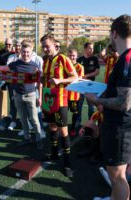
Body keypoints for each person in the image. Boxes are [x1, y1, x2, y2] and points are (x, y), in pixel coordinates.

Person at [87, 15, 131, 200]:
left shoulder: (128, 59)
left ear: (114, 33)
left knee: (118, 177)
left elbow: (124, 103)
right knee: (116, 175)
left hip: (121, 127)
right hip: (122, 126)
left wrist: (97, 100)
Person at [40, 34, 78, 178]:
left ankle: (67, 163)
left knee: (63, 131)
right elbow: (44, 79)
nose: (45, 48)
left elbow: (75, 77)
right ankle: (54, 155)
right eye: (43, 46)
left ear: (54, 45)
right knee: (51, 127)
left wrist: (60, 80)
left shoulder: (63, 58)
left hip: (61, 101)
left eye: (47, 46)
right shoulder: (45, 61)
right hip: (48, 99)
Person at [77, 42, 100, 125]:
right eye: (90, 48)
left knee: (91, 107)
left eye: (92, 48)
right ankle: (78, 121)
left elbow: (97, 72)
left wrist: (86, 75)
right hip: (81, 85)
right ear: (85, 49)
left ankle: (91, 122)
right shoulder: (79, 59)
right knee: (79, 105)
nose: (91, 50)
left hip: (91, 86)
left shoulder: (94, 59)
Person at [67, 49, 84, 136]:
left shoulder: (80, 67)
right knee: (63, 113)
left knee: (75, 113)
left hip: (75, 95)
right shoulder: (65, 66)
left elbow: (79, 80)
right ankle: (63, 128)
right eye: (70, 55)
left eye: (73, 55)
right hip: (65, 95)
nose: (72, 57)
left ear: (76, 56)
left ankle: (73, 128)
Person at [6, 40, 22, 131]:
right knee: (13, 102)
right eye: (16, 46)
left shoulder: (26, 56)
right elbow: (8, 69)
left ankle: (26, 121)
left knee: (24, 103)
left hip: (23, 84)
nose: (17, 48)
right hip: (13, 83)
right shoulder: (11, 57)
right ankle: (13, 121)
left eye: (19, 46)